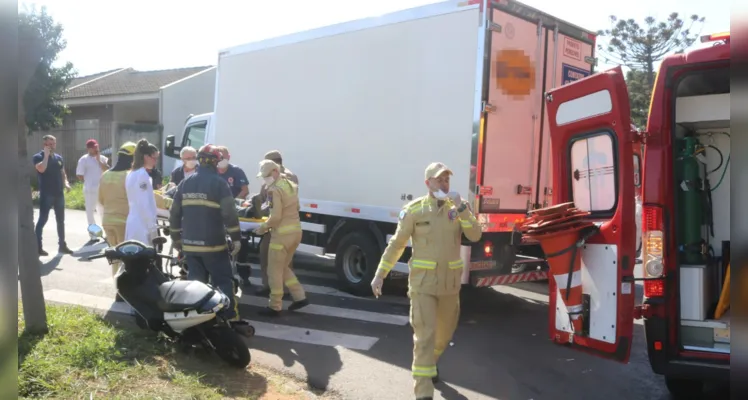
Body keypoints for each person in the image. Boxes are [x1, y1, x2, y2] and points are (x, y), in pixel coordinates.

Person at [370, 162, 482, 400]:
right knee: (424, 335)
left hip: (450, 286)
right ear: (427, 183)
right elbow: (397, 244)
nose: (443, 183)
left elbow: (475, 235)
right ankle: (423, 392)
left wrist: (462, 207)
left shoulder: (458, 209)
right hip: (423, 286)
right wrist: (381, 273)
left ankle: (431, 363)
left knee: (444, 333)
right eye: (439, 179)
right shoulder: (414, 210)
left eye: (446, 180)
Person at [169, 144, 243, 322]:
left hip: (190, 246)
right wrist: (236, 239)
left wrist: (176, 238)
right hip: (213, 245)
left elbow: (174, 213)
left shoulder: (185, 183)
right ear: (215, 162)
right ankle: (229, 316)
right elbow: (230, 214)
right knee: (223, 281)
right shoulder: (219, 183)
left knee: (197, 285)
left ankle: (200, 318)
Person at [252, 159, 309, 316]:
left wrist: (262, 229)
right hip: (295, 232)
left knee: (273, 271)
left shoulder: (273, 190)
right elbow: (296, 207)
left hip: (281, 236)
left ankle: (275, 305)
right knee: (283, 267)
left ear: (275, 172)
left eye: (266, 176)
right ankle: (299, 296)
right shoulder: (289, 185)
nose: (265, 179)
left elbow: (275, 217)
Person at [256, 150, 299, 295]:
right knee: (284, 260)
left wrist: (263, 226)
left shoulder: (281, 178)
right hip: (288, 226)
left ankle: (273, 293)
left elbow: (273, 204)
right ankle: (289, 292)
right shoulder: (288, 177)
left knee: (269, 255)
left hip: (279, 226)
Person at [98, 142, 136, 292]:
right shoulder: (128, 176)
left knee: (115, 258)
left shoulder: (105, 175)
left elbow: (101, 200)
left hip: (107, 221)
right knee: (127, 258)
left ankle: (118, 290)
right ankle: (126, 290)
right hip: (124, 222)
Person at [33, 134, 74, 256]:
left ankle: (62, 245)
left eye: (53, 143)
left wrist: (66, 183)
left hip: (59, 194)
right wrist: (45, 156)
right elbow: (41, 169)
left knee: (61, 221)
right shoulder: (37, 157)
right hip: (46, 194)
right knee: (42, 220)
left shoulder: (58, 158)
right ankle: (38, 247)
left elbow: (62, 172)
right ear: (44, 144)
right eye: (49, 144)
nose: (52, 146)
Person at [125, 140, 160, 245]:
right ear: (146, 157)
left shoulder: (131, 173)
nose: (156, 162)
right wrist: (152, 228)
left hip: (133, 222)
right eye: (154, 158)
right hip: (142, 225)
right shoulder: (142, 175)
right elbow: (144, 204)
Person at [76, 139, 109, 227]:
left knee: (104, 211)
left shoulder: (102, 158)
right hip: (90, 190)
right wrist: (88, 183)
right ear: (89, 149)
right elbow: (79, 174)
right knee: (90, 212)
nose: (96, 149)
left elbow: (107, 170)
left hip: (102, 189)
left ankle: (106, 232)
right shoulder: (83, 159)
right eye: (94, 148)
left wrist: (98, 160)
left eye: (97, 147)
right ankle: (94, 234)